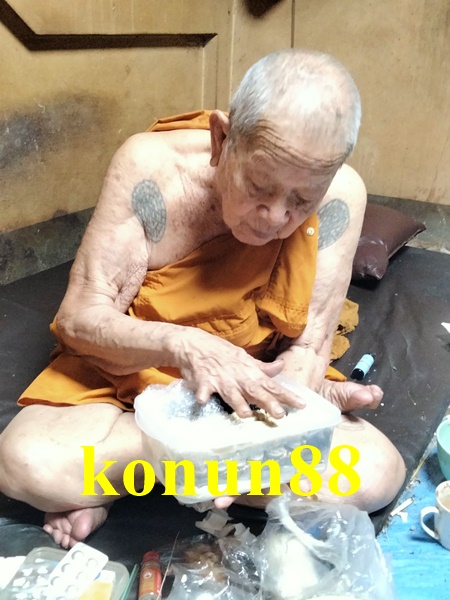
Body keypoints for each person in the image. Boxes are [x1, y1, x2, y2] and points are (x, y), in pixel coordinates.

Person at [0, 49, 405, 549]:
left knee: (375, 474)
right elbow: (80, 320)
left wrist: (255, 436)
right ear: (221, 139)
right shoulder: (151, 168)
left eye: (302, 200)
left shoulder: (342, 195)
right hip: (132, 374)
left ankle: (127, 479)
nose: (275, 217)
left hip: (250, 390)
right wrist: (187, 346)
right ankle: (195, 469)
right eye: (259, 186)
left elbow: (308, 346)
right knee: (25, 461)